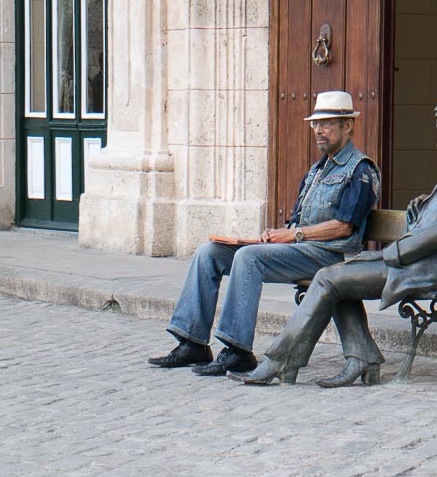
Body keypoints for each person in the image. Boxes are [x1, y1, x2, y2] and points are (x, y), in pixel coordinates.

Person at [228, 94, 437, 387]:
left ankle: (280, 361)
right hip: (412, 261)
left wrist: (393, 252)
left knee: (328, 279)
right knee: (336, 277)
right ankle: (362, 357)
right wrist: (423, 206)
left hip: (425, 269)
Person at [148, 91, 381, 376]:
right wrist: (275, 235)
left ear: (348, 126)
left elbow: (344, 227)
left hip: (328, 255)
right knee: (209, 252)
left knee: (249, 258)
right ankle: (192, 342)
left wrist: (293, 236)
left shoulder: (361, 170)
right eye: (316, 124)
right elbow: (297, 222)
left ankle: (238, 351)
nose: (319, 130)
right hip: (300, 249)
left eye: (327, 123)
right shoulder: (317, 170)